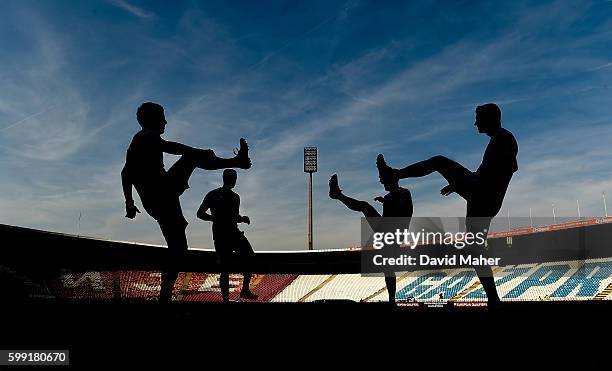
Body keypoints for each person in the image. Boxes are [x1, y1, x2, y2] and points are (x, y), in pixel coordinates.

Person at [377, 103, 518, 307]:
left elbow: (495, 174)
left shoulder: (502, 139)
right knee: (475, 249)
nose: (475, 122)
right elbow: (506, 169)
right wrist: (460, 184)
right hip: (484, 198)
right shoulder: (501, 139)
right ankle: (493, 299)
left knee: (439, 161)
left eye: (478, 118)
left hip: (482, 193)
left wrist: (464, 184)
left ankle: (395, 173)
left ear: (489, 118)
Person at [121, 102, 251, 303]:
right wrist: (198, 151)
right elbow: (171, 147)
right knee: (192, 157)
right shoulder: (145, 136)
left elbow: (125, 172)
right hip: (161, 192)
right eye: (162, 117)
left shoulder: (141, 142)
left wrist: (129, 202)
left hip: (161, 197)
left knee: (179, 248)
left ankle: (165, 295)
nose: (165, 121)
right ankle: (236, 162)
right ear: (152, 120)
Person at [329, 154, 413, 305]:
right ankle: (338, 195)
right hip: (387, 231)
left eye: (383, 179)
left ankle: (338, 195)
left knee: (365, 207)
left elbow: (401, 215)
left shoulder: (403, 193)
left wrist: (387, 204)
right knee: (364, 206)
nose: (381, 182)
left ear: (391, 179)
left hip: (395, 232)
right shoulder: (391, 196)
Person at [197, 169, 258, 302]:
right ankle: (233, 296)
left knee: (243, 260)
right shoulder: (220, 195)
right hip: (224, 235)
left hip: (229, 234)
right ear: (230, 179)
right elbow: (200, 213)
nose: (234, 180)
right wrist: (214, 218)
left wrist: (241, 219)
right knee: (229, 266)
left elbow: (232, 216)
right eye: (233, 178)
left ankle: (239, 293)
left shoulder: (230, 196)